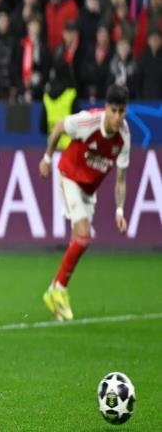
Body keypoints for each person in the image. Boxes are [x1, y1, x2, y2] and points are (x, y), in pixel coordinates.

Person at [38, 84, 130, 321]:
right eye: (114, 111)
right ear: (106, 108)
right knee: (83, 234)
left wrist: (120, 210)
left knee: (79, 242)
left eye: (121, 112)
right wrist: (47, 158)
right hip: (69, 176)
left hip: (89, 189)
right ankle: (59, 290)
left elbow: (121, 179)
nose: (117, 117)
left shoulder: (124, 136)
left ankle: (54, 291)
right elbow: (59, 127)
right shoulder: (88, 122)